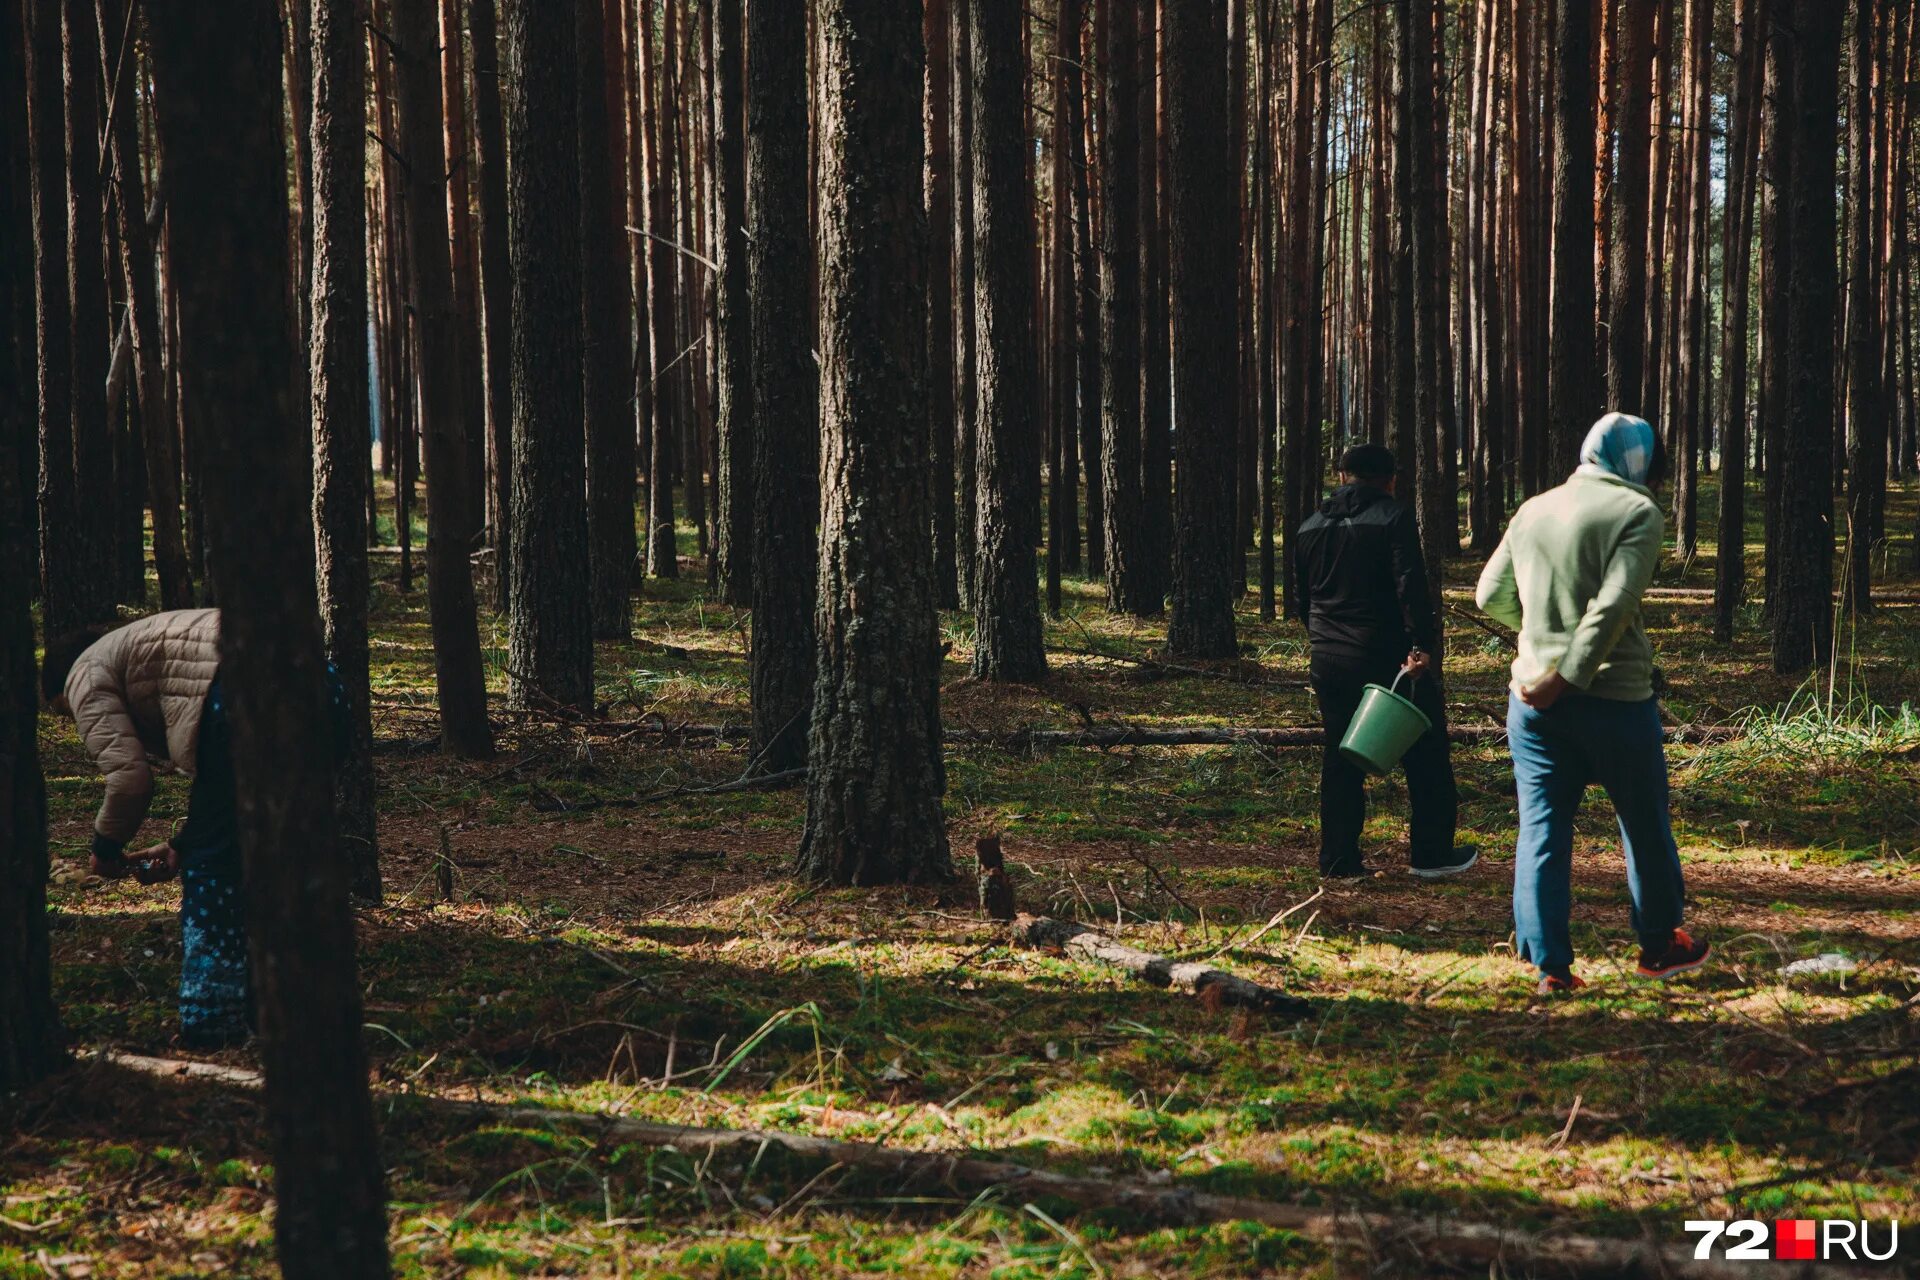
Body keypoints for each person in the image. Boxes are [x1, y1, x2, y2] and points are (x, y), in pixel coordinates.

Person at [1475, 411, 1709, 995]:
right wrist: (1570, 674)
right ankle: (1659, 947)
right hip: (1613, 701)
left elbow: (1488, 595)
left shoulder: (1534, 508)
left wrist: (1540, 646)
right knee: (1643, 823)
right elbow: (1614, 604)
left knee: (1542, 829)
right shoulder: (1637, 511)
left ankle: (1549, 967)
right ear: (1640, 463)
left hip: (1530, 701)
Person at [42, 609, 248, 1048]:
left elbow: (129, 780)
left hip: (234, 694)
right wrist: (183, 844)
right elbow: (228, 800)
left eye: (66, 713)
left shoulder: (84, 671)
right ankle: (280, 1005)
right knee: (262, 843)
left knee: (212, 875)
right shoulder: (141, 648)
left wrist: (106, 848)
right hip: (315, 680)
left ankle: (211, 1022)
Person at [1294, 443, 1476, 882]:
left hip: (1328, 656)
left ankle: (1339, 861)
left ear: (1342, 476)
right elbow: (1409, 584)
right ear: (1390, 480)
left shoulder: (1308, 526)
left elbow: (1302, 599)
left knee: (1341, 755)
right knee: (1426, 750)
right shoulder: (1394, 518)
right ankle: (1430, 855)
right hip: (1387, 658)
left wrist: (1321, 639)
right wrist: (1421, 645)